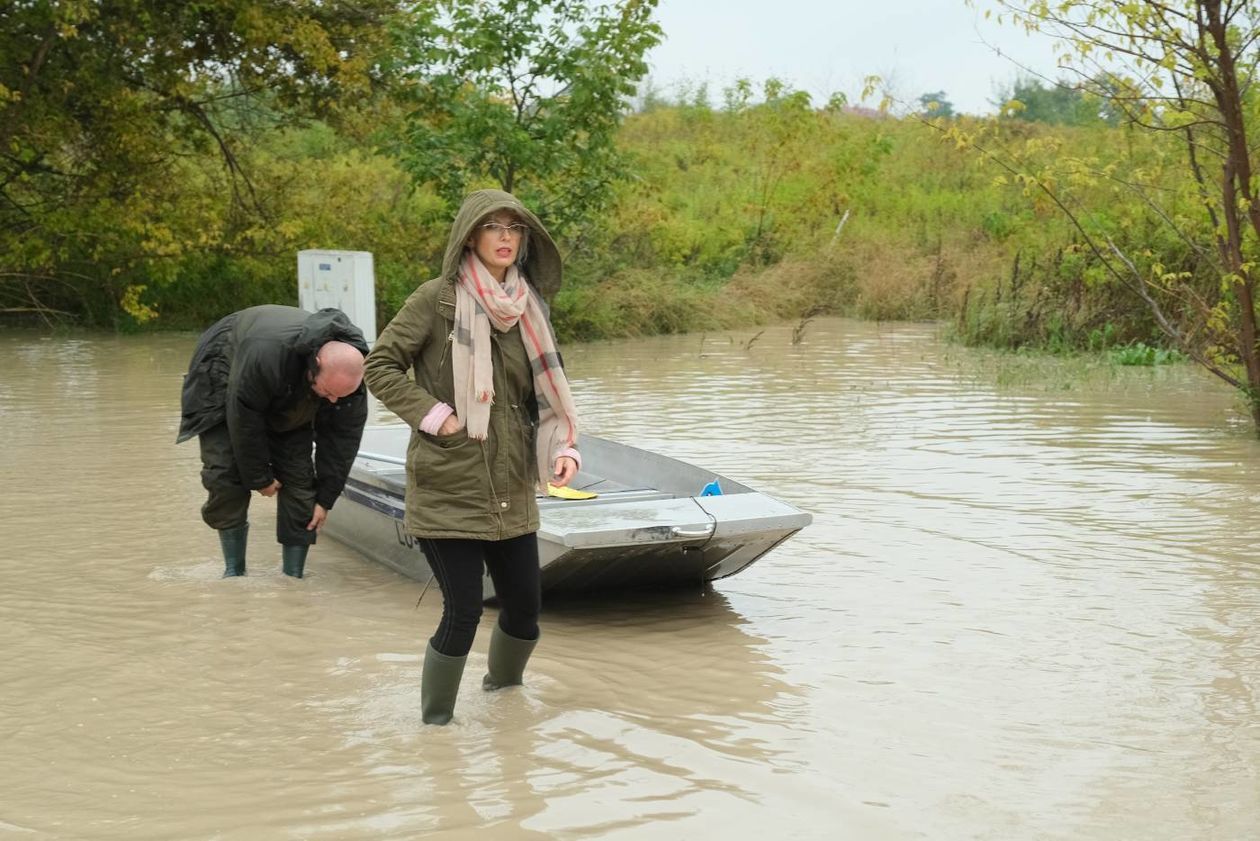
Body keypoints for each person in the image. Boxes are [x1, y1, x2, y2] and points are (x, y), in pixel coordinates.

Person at [364, 189, 581, 725]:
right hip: (448, 482)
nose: (506, 237)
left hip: (511, 486)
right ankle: (436, 731)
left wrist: (563, 448)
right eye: (494, 227)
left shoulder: (530, 307)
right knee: (462, 614)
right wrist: (437, 416)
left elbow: (547, 395)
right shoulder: (435, 299)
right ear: (471, 235)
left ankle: (505, 707)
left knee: (526, 616)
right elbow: (379, 367)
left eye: (515, 228)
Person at [176, 305, 369, 579]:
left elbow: (342, 443)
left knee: (301, 483)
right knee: (225, 473)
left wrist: (326, 499)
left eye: (340, 396)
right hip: (227, 360)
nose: (334, 401)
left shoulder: (348, 384)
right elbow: (244, 420)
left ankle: (293, 578)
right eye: (327, 392)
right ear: (315, 364)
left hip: (290, 383)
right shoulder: (266, 355)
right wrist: (260, 478)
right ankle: (234, 573)